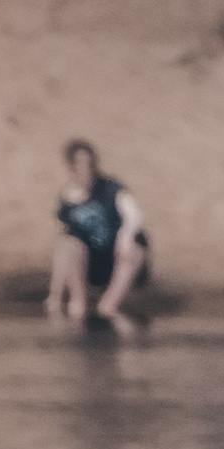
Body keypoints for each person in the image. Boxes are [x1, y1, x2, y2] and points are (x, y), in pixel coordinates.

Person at [45, 140, 149, 332]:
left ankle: (108, 306)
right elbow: (63, 250)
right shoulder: (68, 200)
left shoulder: (110, 188)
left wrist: (125, 236)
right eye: (79, 164)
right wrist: (55, 294)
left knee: (133, 248)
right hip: (92, 264)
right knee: (69, 243)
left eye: (89, 163)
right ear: (71, 167)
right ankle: (78, 304)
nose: (85, 169)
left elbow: (134, 216)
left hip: (118, 258)